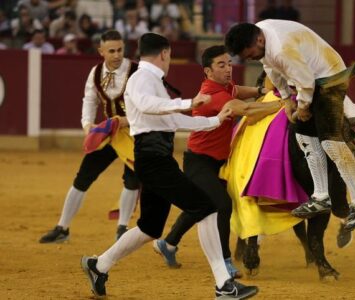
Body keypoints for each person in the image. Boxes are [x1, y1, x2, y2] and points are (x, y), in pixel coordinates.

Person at [80, 33, 259, 299]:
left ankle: (99, 265)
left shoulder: (151, 80)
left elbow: (172, 121)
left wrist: (214, 121)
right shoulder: (142, 78)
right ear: (164, 54)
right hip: (153, 159)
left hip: (156, 157)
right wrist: (188, 103)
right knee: (206, 207)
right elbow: (146, 105)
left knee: (149, 228)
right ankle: (224, 284)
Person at [225, 20, 355, 233]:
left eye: (248, 53)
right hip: (311, 79)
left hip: (330, 77)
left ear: (259, 39)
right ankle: (321, 196)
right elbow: (271, 68)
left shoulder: (280, 48)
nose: (248, 58)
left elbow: (305, 81)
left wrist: (303, 106)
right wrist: (288, 100)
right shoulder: (262, 39)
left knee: (331, 144)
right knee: (303, 136)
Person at [153, 45, 282, 276]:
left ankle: (168, 243)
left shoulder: (224, 87)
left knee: (200, 205)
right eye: (221, 65)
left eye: (229, 63)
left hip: (218, 163)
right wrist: (282, 103)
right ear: (208, 72)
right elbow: (249, 111)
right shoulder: (213, 96)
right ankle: (224, 262)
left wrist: (260, 89)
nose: (228, 69)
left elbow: (238, 90)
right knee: (222, 205)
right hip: (199, 162)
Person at [39, 30, 139, 244]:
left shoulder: (137, 71)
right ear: (101, 51)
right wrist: (87, 126)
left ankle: (122, 229)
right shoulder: (95, 73)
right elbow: (90, 101)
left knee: (131, 181)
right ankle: (62, 228)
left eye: (120, 49)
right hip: (110, 135)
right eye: (111, 51)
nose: (117, 55)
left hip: (134, 135)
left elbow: (147, 106)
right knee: (83, 177)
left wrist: (127, 120)